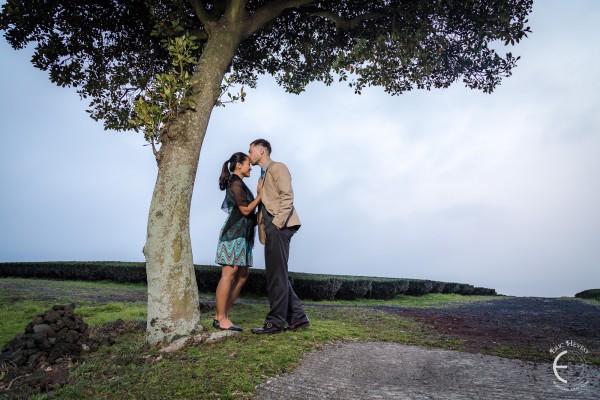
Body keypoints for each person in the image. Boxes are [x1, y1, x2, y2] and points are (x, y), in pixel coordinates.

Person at [248, 139, 310, 334]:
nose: (249, 155)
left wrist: (276, 224)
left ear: (262, 150)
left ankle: (274, 323)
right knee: (278, 275)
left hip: (280, 226)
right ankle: (298, 318)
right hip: (272, 229)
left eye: (251, 151)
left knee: (275, 277)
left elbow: (287, 197)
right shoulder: (263, 175)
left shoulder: (278, 167)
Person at [213, 152, 262, 331]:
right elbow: (246, 210)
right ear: (239, 165)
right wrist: (260, 195)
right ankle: (220, 318)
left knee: (242, 275)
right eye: (248, 163)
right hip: (233, 235)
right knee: (230, 273)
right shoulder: (235, 182)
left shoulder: (240, 183)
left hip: (244, 235)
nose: (251, 167)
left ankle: (224, 315)